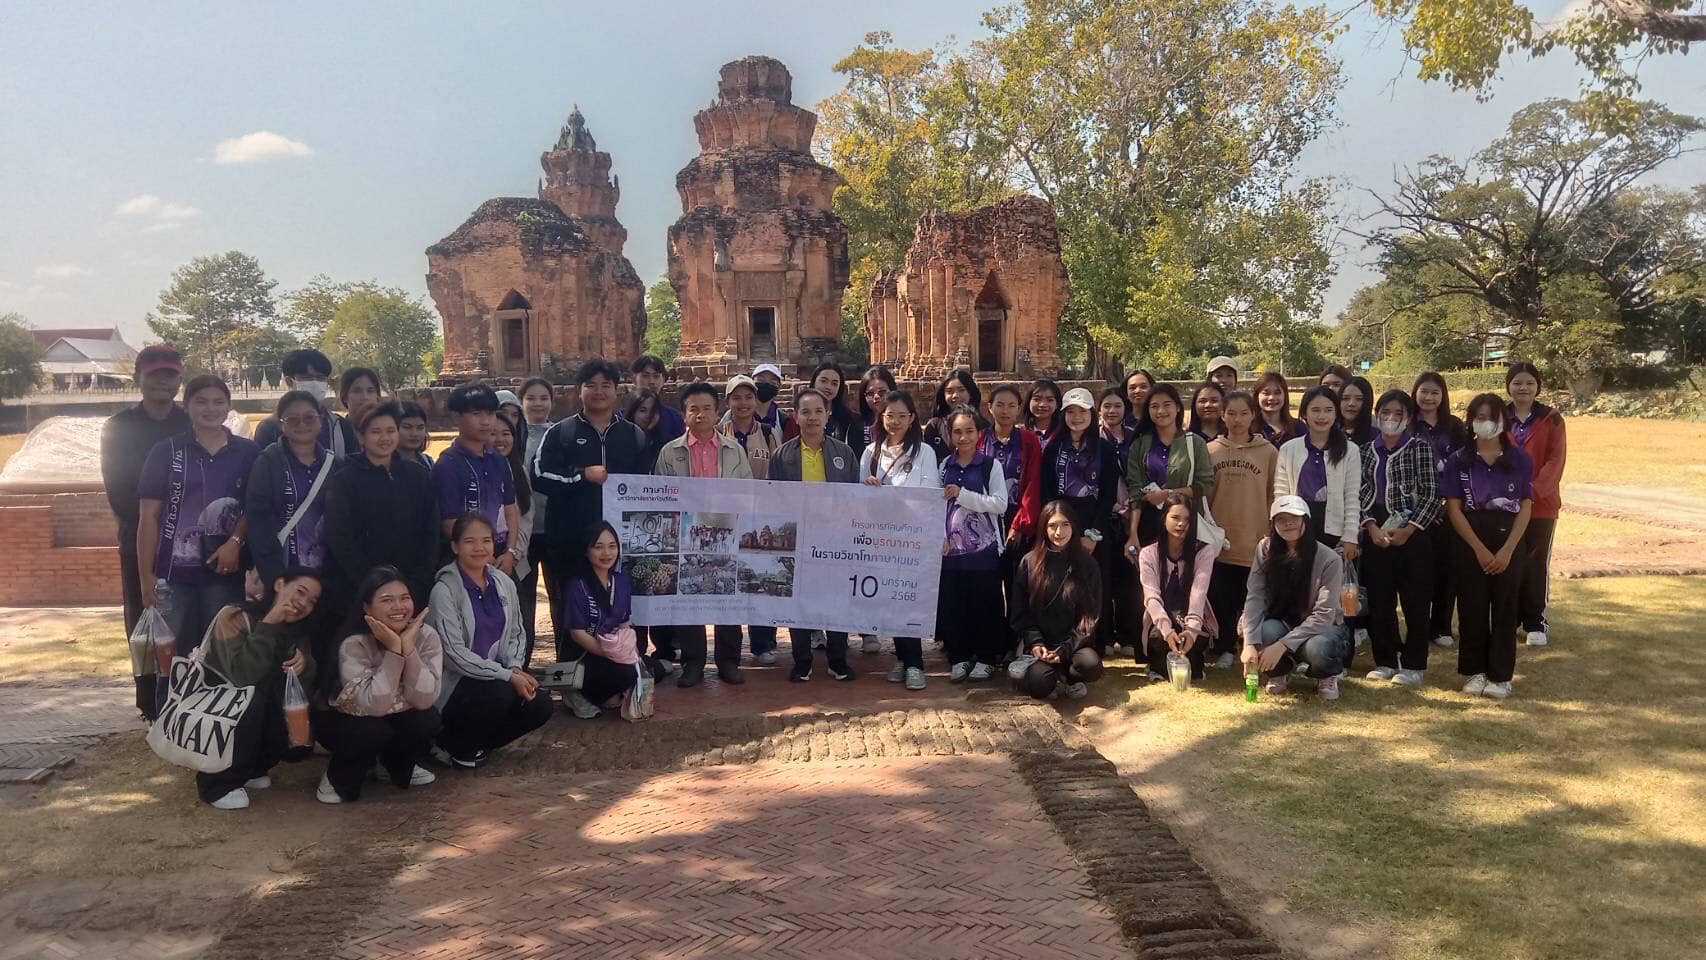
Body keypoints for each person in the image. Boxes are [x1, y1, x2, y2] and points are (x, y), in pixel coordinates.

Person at [137, 374, 261, 665]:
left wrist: (236, 541)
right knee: (168, 655)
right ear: (186, 405)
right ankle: (166, 710)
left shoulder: (248, 452)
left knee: (219, 653)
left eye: (219, 401)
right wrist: (145, 577)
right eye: (201, 401)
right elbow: (148, 517)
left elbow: (255, 508)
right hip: (172, 574)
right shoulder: (165, 451)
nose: (211, 408)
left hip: (224, 571)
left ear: (229, 405)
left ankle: (211, 711)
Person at [532, 359, 651, 645]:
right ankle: (572, 676)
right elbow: (539, 476)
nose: (598, 391)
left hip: (619, 543)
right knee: (570, 609)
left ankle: (624, 667)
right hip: (570, 541)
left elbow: (646, 485)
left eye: (605, 386)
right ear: (578, 390)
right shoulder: (561, 432)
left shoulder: (632, 435)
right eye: (591, 385)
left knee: (620, 607)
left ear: (616, 390)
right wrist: (581, 476)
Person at [101, 344, 190, 714]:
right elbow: (119, 490)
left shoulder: (190, 422)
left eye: (169, 375)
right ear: (139, 378)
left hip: (188, 542)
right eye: (154, 375)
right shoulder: (119, 428)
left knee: (185, 619)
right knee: (144, 618)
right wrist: (154, 530)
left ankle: (184, 693)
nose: (161, 382)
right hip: (140, 540)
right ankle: (150, 703)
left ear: (178, 380)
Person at [427, 514, 552, 767]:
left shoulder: (503, 582)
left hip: (494, 679)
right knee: (500, 691)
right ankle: (452, 745)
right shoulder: (444, 590)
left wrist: (515, 667)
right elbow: (455, 655)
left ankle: (478, 743)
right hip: (455, 685)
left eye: (486, 540)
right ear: (455, 546)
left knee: (540, 704)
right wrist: (506, 676)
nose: (479, 548)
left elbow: (518, 631)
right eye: (469, 541)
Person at [193, 569, 322, 809]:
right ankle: (218, 784)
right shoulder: (234, 616)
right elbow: (243, 677)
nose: (303, 603)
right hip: (219, 706)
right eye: (300, 592)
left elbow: (298, 694)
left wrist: (305, 665)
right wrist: (270, 621)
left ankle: (254, 767)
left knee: (295, 737)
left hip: (259, 707)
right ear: (280, 584)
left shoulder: (298, 633)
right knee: (250, 701)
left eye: (312, 601)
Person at [654, 381, 755, 686]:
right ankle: (693, 663)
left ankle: (728, 662)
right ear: (684, 414)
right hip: (686, 536)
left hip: (727, 533)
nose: (700, 415)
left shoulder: (734, 450)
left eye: (707, 409)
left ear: (717, 412)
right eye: (693, 409)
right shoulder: (670, 453)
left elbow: (748, 491)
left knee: (728, 599)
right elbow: (660, 493)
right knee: (689, 599)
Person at [319, 566, 442, 803]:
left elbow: (425, 699)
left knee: (427, 719)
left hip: (394, 712)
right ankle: (337, 776)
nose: (399, 607)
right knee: (372, 730)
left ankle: (392, 765)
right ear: (367, 608)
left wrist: (409, 649)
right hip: (352, 719)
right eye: (387, 600)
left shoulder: (426, 635)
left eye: (404, 598)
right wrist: (395, 652)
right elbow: (375, 705)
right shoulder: (354, 642)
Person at [1445, 393, 1534, 699]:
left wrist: (1508, 550)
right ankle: (1474, 671)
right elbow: (1454, 508)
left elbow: (1525, 506)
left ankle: (1501, 675)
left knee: (1506, 608)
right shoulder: (1459, 459)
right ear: (1471, 420)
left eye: (1492, 417)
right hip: (1470, 537)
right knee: (1472, 608)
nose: (1486, 423)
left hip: (1508, 537)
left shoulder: (1519, 458)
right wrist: (1478, 548)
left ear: (1503, 421)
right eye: (1479, 417)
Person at [322, 403, 439, 626]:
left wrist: (417, 581)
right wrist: (373, 585)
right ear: (361, 436)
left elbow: (430, 532)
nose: (384, 438)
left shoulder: (417, 476)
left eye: (390, 430)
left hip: (412, 588)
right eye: (376, 432)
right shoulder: (345, 480)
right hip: (360, 590)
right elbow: (340, 538)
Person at [771, 388, 859, 681]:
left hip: (835, 537)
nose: (812, 418)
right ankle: (802, 660)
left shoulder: (843, 453)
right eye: (805, 412)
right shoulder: (782, 456)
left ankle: (837, 659)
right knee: (800, 600)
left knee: (836, 599)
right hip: (798, 538)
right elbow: (776, 499)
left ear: (828, 414)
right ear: (795, 416)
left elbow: (854, 497)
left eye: (818, 411)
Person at [1359, 390, 1442, 686]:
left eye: (1398, 413)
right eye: (1386, 412)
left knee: (1415, 602)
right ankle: (1385, 659)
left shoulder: (1419, 448)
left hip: (1412, 533)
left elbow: (1433, 494)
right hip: (1376, 530)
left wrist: (1409, 530)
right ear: (1377, 414)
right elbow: (1359, 493)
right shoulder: (1366, 451)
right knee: (1381, 601)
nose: (1391, 419)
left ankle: (1414, 663)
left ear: (1408, 418)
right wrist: (1370, 527)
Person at [860, 389, 940, 690]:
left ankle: (915, 662)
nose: (894, 421)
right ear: (882, 417)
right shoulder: (871, 453)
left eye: (901, 416)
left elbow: (930, 495)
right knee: (890, 599)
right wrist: (869, 487)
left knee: (909, 598)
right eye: (889, 415)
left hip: (913, 536)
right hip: (881, 538)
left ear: (912, 418)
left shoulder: (925, 453)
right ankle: (902, 658)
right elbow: (859, 498)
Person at [1240, 496, 1351, 701]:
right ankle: (1279, 672)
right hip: (1282, 621)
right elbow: (1255, 596)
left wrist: (1281, 645)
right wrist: (1249, 643)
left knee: (1318, 648)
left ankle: (1327, 674)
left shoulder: (1329, 558)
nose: (1288, 523)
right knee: (1262, 632)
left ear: (1305, 521)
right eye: (1281, 519)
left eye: (1294, 517)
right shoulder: (1265, 549)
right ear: (1273, 524)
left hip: (1322, 628)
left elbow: (1324, 615)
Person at [1044, 388, 1124, 652]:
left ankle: (1098, 638)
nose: (1076, 417)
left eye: (1082, 411)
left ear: (1092, 413)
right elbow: (1048, 492)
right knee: (1063, 583)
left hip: (1095, 523)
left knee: (1095, 582)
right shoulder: (1054, 448)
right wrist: (1058, 527)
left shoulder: (1104, 449)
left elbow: (1108, 493)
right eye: (1070, 412)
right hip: (1061, 523)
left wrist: (1092, 534)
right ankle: (1066, 638)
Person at [938, 405, 1010, 682]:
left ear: (979, 433)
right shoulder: (945, 465)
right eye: (957, 432)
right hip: (952, 551)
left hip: (985, 551)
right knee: (955, 604)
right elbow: (935, 505)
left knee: (986, 604)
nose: (963, 437)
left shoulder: (990, 465)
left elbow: (1000, 504)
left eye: (969, 431)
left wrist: (962, 495)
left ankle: (986, 656)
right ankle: (959, 656)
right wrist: (940, 537)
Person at [1206, 390, 1276, 669]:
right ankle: (1223, 647)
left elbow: (1274, 493)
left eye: (1244, 413)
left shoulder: (1268, 451)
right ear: (1222, 415)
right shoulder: (1210, 451)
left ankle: (1249, 645)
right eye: (1231, 413)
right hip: (1220, 540)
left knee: (1252, 600)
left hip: (1255, 539)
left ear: (1253, 415)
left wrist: (1271, 530)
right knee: (1222, 598)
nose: (1237, 419)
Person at [558, 522, 654, 718]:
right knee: (626, 674)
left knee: (646, 668)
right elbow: (576, 633)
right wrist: (610, 653)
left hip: (612, 649)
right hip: (585, 654)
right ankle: (575, 693)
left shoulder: (621, 581)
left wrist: (629, 652)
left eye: (612, 546)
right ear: (587, 550)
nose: (606, 553)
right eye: (598, 546)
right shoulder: (577, 585)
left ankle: (604, 694)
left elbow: (623, 622)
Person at [1012, 501, 1104, 700]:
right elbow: (1020, 611)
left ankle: (1068, 677)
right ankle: (1050, 675)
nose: (1058, 532)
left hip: (1073, 644)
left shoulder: (1087, 564)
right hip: (1040, 645)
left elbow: (1090, 614)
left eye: (1065, 525)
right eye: (1052, 526)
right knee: (1039, 684)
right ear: (1044, 529)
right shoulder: (1029, 562)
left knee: (1091, 666)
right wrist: (1035, 642)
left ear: (1073, 527)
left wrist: (1066, 648)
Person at [1505, 362, 1565, 648]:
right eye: (1517, 382)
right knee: (1509, 561)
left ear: (1537, 386)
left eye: (1529, 383)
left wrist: (1531, 491)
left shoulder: (1551, 419)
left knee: (1535, 562)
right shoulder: (1499, 416)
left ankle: (1535, 621)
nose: (1523, 388)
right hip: (1504, 505)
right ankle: (1510, 617)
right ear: (1509, 386)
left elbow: (1555, 460)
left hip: (1540, 505)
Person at [246, 391, 333, 585]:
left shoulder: (334, 465)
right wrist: (273, 574)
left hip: (326, 573)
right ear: (281, 424)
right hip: (282, 571)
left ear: (320, 420)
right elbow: (258, 520)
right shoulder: (268, 463)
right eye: (293, 420)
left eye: (309, 418)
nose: (302, 425)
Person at [432, 382, 520, 572]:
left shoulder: (498, 460)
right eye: (476, 414)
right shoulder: (448, 464)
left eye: (490, 414)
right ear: (456, 416)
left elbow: (510, 510)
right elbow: (449, 523)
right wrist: (482, 555)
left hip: (500, 553)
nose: (485, 421)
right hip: (465, 558)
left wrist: (510, 551)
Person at [1411, 371, 1466, 648]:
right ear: (1415, 393)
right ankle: (1418, 625)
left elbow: (1465, 464)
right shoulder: (1408, 425)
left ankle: (1442, 626)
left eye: (1435, 392)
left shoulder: (1455, 427)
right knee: (1420, 570)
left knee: (1448, 568)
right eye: (1424, 391)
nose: (1429, 397)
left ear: (1442, 395)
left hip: (1448, 507)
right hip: (1415, 509)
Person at [1139, 495, 1220, 681]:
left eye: (1187, 519)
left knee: (1194, 657)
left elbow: (1199, 593)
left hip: (1191, 617)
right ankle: (1157, 664)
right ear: (1164, 518)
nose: (1181, 524)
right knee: (1158, 639)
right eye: (1175, 518)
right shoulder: (1148, 554)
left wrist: (1191, 630)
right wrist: (1167, 631)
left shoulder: (1204, 552)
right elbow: (1151, 597)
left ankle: (1193, 658)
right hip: (1161, 618)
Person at [1125, 384, 1215, 547]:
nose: (1160, 411)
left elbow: (1205, 486)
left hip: (1185, 523)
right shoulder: (1140, 444)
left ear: (1178, 408)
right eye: (1154, 406)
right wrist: (1133, 534)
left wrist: (1168, 494)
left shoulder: (1195, 443)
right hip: (1149, 525)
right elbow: (1135, 491)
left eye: (1167, 405)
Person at [1275, 386, 1361, 557]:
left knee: (1331, 582)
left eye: (1328, 410)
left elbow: (1352, 496)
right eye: (1315, 410)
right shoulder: (1288, 449)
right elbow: (1281, 494)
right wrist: (1283, 529)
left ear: (1336, 413)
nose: (1322, 416)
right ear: (1304, 414)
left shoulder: (1350, 450)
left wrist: (1350, 535)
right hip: (1297, 529)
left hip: (1334, 531)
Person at [492, 410, 538, 664]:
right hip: (483, 563)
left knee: (522, 628)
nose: (501, 439)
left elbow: (526, 517)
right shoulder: (476, 469)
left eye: (506, 433)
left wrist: (513, 554)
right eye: (494, 433)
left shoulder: (518, 469)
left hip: (516, 564)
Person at [252, 349, 358, 455]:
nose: (315, 383)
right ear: (289, 381)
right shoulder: (270, 428)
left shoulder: (341, 426)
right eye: (307, 378)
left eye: (320, 378)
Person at [519, 377, 558, 626]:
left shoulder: (560, 435)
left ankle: (565, 662)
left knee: (560, 596)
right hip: (523, 532)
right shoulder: (512, 437)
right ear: (521, 401)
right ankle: (522, 658)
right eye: (531, 398)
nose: (537, 404)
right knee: (523, 600)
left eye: (544, 398)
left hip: (554, 528)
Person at [721, 373, 783, 482]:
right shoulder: (719, 433)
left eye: (749, 397)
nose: (743, 403)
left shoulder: (768, 434)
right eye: (736, 398)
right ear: (727, 402)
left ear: (755, 400)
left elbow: (779, 470)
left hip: (762, 497)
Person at [923, 369, 985, 463]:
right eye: (949, 391)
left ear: (970, 393)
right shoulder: (934, 426)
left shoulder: (984, 426)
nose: (955, 395)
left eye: (961, 390)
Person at [808, 361, 863, 458]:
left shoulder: (850, 419)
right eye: (823, 381)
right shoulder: (799, 418)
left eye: (834, 383)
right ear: (814, 382)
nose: (828, 387)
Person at [633, 355, 686, 442]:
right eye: (645, 376)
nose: (651, 382)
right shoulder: (621, 416)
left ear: (663, 380)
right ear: (634, 379)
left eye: (656, 376)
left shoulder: (674, 418)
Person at [746, 362, 799, 441]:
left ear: (779, 387)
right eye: (760, 380)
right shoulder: (735, 415)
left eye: (772, 382)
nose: (766, 385)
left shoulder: (783, 420)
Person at [1253, 371, 1301, 449]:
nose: (1272, 398)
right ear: (1256, 396)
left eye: (1277, 393)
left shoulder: (1298, 427)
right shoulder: (1248, 428)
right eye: (1266, 393)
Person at [626, 390, 669, 473]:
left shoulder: (665, 444)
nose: (649, 416)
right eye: (643, 410)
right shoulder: (620, 440)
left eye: (653, 411)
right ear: (632, 412)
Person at [858, 365, 899, 448]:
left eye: (882, 392)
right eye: (870, 393)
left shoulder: (904, 422)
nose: (876, 397)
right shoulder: (857, 426)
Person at [396, 400, 435, 469]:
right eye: (407, 427)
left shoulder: (428, 462)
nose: (415, 434)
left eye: (420, 427)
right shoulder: (384, 466)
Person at [1339, 376, 1375, 448]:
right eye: (1346, 398)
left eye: (1359, 399)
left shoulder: (1376, 438)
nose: (1351, 403)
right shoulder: (1328, 433)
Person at [1026, 378, 1064, 446]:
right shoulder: (1019, 433)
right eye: (1037, 399)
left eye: (1050, 400)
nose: (1042, 405)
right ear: (1028, 401)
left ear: (1057, 404)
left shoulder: (1064, 433)